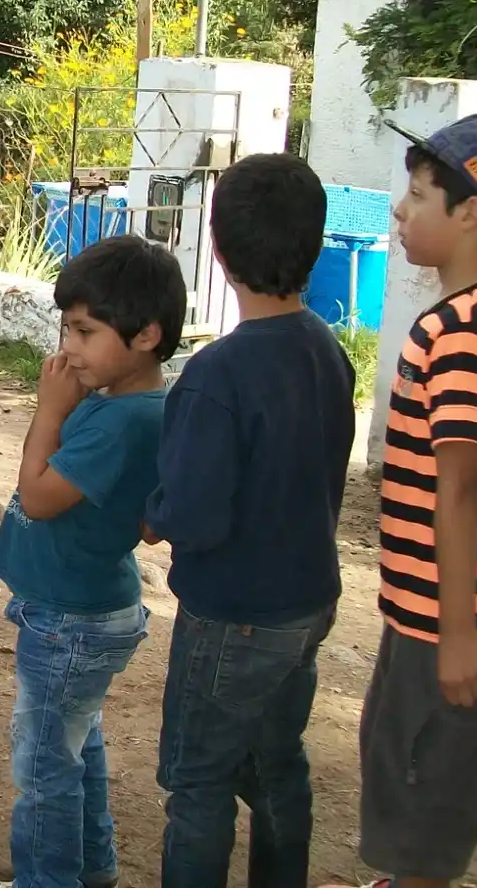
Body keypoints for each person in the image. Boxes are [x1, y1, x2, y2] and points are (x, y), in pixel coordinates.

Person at [320, 117, 477, 888]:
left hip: (457, 614)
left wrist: (456, 634)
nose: (399, 211)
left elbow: (460, 489)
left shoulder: (469, 334)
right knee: (408, 765)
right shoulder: (476, 316)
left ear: (472, 212)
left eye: (417, 196)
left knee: (426, 783)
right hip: (437, 607)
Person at [145, 153, 355, 888]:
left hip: (233, 613)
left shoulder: (217, 373)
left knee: (198, 784)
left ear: (219, 247)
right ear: (315, 243)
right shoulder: (328, 350)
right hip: (307, 602)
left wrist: (154, 513)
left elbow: (194, 514)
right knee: (275, 763)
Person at [0, 235, 185, 888]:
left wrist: (48, 414)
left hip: (69, 617)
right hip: (85, 606)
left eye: (84, 330)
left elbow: (40, 498)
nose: (68, 345)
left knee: (44, 764)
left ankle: (48, 880)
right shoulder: (137, 405)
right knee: (78, 744)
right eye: (66, 326)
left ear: (147, 334)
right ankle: (93, 866)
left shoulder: (119, 420)